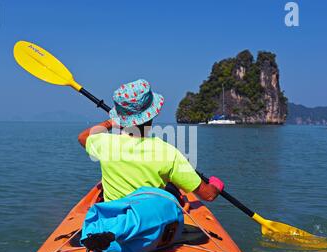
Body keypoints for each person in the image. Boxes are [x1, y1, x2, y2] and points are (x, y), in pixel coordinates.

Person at [78, 79, 224, 203]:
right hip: (150, 227)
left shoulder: (105, 144)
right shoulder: (168, 153)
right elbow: (208, 195)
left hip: (114, 223)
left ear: (121, 118)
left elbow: (83, 137)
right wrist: (216, 185)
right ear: (151, 115)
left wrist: (111, 122)